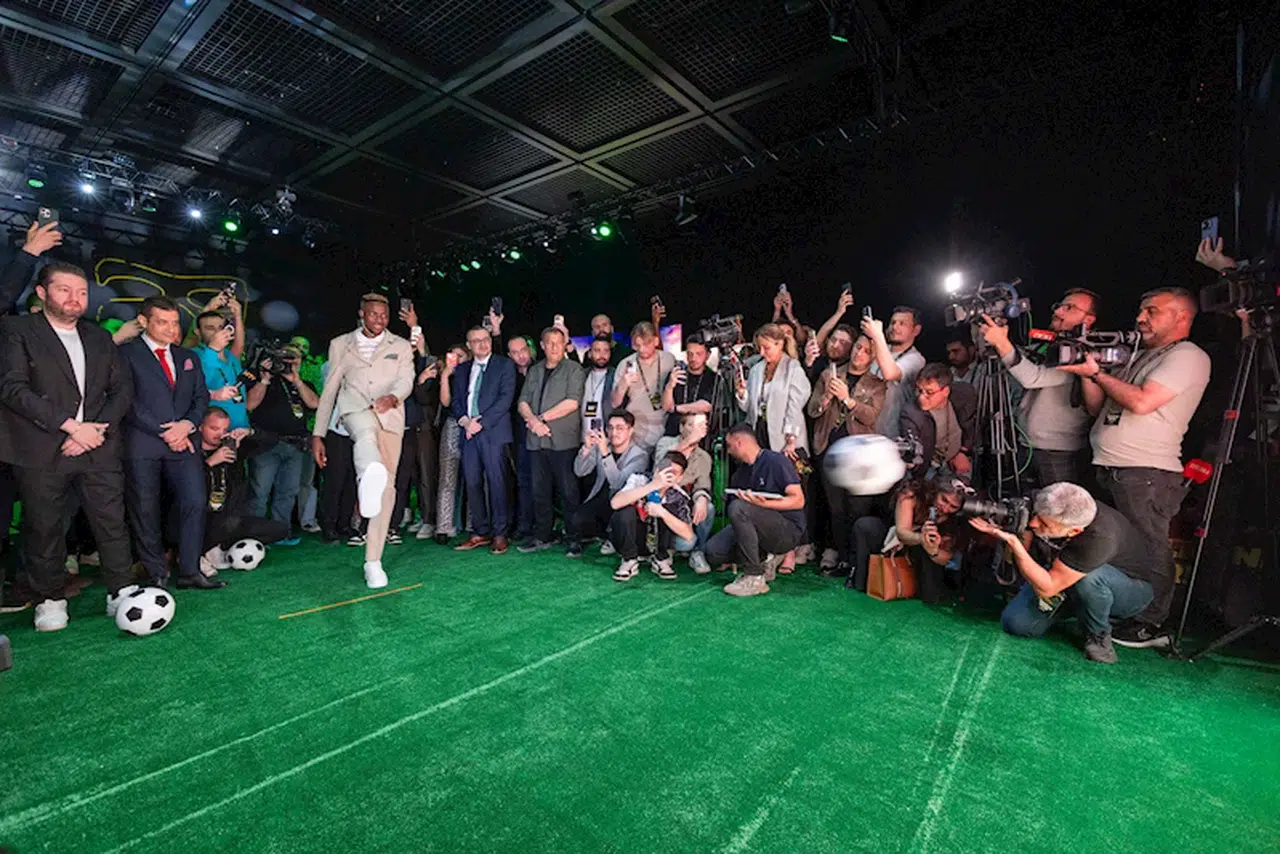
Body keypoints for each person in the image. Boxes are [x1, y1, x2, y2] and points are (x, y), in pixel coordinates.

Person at [1059, 286, 1211, 648]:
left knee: (1151, 547)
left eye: (1152, 311)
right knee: (1110, 544)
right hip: (1110, 466)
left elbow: (1142, 402)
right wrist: (1086, 372)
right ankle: (1110, 607)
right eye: (1141, 310)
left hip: (1146, 472)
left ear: (1181, 316)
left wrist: (1098, 374)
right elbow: (1098, 408)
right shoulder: (1141, 354)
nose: (1141, 318)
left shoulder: (1189, 356)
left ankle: (1152, 623)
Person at [0, 261, 137, 630]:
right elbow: (12, 388)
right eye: (64, 290)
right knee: (43, 527)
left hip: (99, 447)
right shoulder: (17, 330)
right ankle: (49, 598)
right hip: (41, 448)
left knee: (111, 522)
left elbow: (122, 390)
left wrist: (96, 431)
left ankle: (121, 590)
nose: (75, 298)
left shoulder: (99, 337)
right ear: (42, 292)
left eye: (81, 292)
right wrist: (71, 428)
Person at [970, 482, 1162, 664]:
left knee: (1090, 579)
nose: (1034, 523)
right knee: (1016, 623)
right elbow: (1025, 543)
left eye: (1044, 524)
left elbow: (1047, 588)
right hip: (1066, 575)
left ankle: (1099, 638)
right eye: (1036, 515)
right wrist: (1016, 529)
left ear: (1074, 531)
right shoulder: (1045, 501)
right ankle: (1078, 611)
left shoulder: (1100, 538)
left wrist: (1013, 542)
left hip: (1128, 591)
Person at [311, 293, 414, 589]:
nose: (379, 319)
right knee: (365, 434)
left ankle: (373, 561)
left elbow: (406, 380)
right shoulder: (341, 344)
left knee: (388, 489)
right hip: (354, 409)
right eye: (373, 314)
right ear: (361, 314)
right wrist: (318, 433)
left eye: (384, 315)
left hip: (391, 416)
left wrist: (393, 397)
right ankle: (368, 473)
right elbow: (330, 391)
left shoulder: (400, 345)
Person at [118, 296, 220, 589]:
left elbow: (201, 397)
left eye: (175, 323)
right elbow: (126, 401)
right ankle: (156, 572)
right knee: (145, 508)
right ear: (143, 321)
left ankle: (189, 570)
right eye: (162, 322)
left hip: (185, 442)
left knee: (195, 501)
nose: (171, 329)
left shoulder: (188, 357)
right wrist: (166, 432)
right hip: (143, 443)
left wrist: (187, 425)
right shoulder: (125, 354)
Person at [978, 289, 1101, 486]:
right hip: (1025, 443)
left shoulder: (1084, 353)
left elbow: (1033, 377)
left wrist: (1001, 343)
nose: (1058, 311)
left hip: (1059, 451)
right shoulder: (1050, 345)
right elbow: (1018, 361)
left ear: (1089, 319)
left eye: (1069, 308)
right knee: (1022, 502)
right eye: (1059, 306)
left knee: (1058, 505)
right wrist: (999, 337)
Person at [736, 323, 812, 570]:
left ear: (780, 344)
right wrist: (742, 394)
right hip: (760, 433)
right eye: (760, 347)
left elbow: (796, 403)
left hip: (784, 436)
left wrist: (791, 438)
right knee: (763, 489)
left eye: (767, 347)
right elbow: (750, 407)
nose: (762, 352)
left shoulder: (793, 368)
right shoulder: (757, 368)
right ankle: (768, 547)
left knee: (788, 491)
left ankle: (791, 550)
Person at [807, 333, 886, 571]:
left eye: (866, 351)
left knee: (857, 507)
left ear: (873, 358)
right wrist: (826, 398)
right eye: (858, 347)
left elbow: (871, 416)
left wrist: (847, 399)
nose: (859, 353)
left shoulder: (876, 384)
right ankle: (839, 554)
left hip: (858, 454)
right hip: (828, 448)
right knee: (835, 507)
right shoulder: (829, 374)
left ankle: (855, 558)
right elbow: (812, 410)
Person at [705, 423, 806, 597]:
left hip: (786, 528)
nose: (728, 451)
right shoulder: (739, 474)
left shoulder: (776, 461)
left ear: (738, 442)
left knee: (739, 508)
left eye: (729, 446)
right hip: (755, 524)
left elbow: (798, 500)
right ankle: (764, 559)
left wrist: (763, 504)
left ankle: (754, 576)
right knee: (714, 551)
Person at [517, 326, 586, 553]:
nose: (554, 347)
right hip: (536, 442)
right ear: (542, 345)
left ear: (565, 344)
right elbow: (522, 401)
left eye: (558, 342)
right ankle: (543, 535)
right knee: (539, 491)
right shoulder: (535, 370)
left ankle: (574, 537)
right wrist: (533, 421)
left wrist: (540, 419)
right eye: (550, 342)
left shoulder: (574, 369)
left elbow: (572, 402)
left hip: (563, 441)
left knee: (568, 492)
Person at [195, 408, 288, 574]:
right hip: (200, 519)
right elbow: (182, 483)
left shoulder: (232, 448)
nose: (220, 434)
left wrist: (248, 432)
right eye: (214, 428)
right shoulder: (190, 451)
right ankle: (202, 551)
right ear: (201, 427)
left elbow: (272, 440)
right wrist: (210, 462)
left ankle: (218, 547)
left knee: (280, 529)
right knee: (225, 521)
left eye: (224, 429)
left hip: (230, 517)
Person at [450, 325, 516, 554]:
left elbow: (505, 399)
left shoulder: (504, 365)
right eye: (476, 341)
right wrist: (465, 422)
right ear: (469, 345)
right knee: (472, 482)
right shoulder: (462, 369)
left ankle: (500, 533)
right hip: (468, 433)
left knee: (497, 483)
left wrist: (481, 423)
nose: (483, 343)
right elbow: (456, 401)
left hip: (493, 432)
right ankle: (480, 532)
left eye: (486, 339)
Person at [245, 343, 319, 545]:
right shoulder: (263, 379)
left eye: (294, 358)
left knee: (288, 492)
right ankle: (254, 537)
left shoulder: (303, 383)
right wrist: (264, 379)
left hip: (295, 445)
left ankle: (280, 533)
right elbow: (249, 404)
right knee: (259, 492)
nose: (288, 362)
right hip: (266, 444)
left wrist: (297, 380)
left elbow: (314, 403)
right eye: (285, 358)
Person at [848, 477, 965, 601]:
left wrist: (933, 550)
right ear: (936, 491)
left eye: (953, 507)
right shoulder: (913, 493)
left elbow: (945, 558)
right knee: (865, 525)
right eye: (944, 500)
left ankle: (922, 589)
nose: (945, 508)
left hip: (924, 553)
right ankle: (862, 581)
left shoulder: (955, 521)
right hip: (894, 538)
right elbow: (902, 532)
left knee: (931, 592)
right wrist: (922, 538)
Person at [569, 410, 650, 556]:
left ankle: (612, 537)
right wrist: (587, 448)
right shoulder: (602, 445)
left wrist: (605, 453)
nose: (614, 433)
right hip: (600, 497)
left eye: (620, 428)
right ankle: (602, 535)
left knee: (620, 521)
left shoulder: (640, 455)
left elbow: (618, 483)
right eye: (610, 428)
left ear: (630, 430)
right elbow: (580, 471)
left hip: (622, 502)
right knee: (577, 519)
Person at [608, 453, 695, 581]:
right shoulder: (639, 479)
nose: (668, 475)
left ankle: (660, 558)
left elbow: (688, 535)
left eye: (674, 473)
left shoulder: (679, 495)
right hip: (633, 536)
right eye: (665, 469)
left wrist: (662, 512)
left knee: (669, 511)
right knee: (625, 510)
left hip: (657, 540)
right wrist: (653, 486)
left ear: (679, 478)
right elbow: (615, 503)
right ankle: (629, 560)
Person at [660, 414, 715, 572]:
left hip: (685, 505)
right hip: (665, 501)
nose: (694, 430)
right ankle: (667, 548)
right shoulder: (666, 443)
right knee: (684, 543)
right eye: (691, 425)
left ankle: (698, 551)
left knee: (708, 507)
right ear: (681, 427)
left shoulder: (703, 457)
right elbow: (660, 465)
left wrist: (701, 498)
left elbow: (703, 484)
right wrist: (688, 441)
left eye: (699, 426)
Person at [905, 363, 978, 479]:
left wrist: (963, 451)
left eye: (929, 392)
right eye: (919, 390)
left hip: (958, 458)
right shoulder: (911, 413)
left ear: (945, 391)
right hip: (928, 467)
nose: (922, 397)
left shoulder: (963, 395)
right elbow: (914, 454)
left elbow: (970, 424)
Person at [862, 305, 926, 437]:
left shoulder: (916, 359)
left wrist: (877, 336)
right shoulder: (879, 348)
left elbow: (890, 373)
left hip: (890, 434)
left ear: (916, 330)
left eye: (902, 323)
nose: (895, 327)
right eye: (893, 322)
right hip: (864, 428)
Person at [611, 322, 676, 450]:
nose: (641, 349)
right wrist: (623, 383)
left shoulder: (669, 359)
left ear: (656, 341)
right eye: (637, 345)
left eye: (646, 344)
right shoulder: (626, 364)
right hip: (637, 432)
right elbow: (614, 403)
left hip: (665, 429)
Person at [191, 300, 248, 429]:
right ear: (198, 332)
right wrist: (213, 349)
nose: (217, 332)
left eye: (221, 328)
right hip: (212, 433)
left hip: (240, 430)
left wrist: (238, 316)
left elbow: (240, 345)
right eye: (210, 328)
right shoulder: (192, 355)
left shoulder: (231, 356)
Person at [435, 345, 470, 544]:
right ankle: (443, 526)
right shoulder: (448, 376)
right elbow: (446, 402)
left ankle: (474, 524)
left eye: (460, 356)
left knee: (475, 477)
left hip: (474, 426)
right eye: (453, 355)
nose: (456, 359)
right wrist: (445, 376)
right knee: (448, 476)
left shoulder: (476, 373)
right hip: (453, 425)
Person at [660, 333, 716, 452]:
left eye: (698, 354)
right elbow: (666, 406)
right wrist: (670, 386)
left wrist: (677, 408)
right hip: (674, 433)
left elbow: (706, 405)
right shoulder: (676, 374)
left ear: (707, 355)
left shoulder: (714, 378)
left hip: (701, 437)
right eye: (690, 354)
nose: (693, 358)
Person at [580, 334, 616, 444]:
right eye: (597, 350)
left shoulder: (616, 375)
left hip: (607, 439)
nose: (602, 355)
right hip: (583, 439)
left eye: (606, 351)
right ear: (590, 354)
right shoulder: (581, 375)